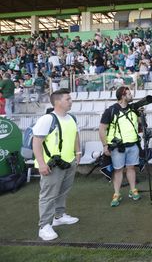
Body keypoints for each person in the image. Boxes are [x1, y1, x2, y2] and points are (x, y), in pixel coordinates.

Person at [32, 88, 81, 241]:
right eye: (68, 99)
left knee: (63, 191)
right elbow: (37, 142)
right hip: (51, 165)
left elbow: (75, 135)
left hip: (69, 162)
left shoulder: (71, 118)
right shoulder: (47, 119)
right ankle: (44, 226)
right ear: (58, 102)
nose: (71, 101)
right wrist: (41, 163)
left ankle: (59, 216)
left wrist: (77, 153)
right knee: (48, 195)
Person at [99, 87, 141, 207]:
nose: (131, 95)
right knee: (118, 170)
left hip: (133, 144)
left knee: (131, 168)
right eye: (129, 93)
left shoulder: (134, 109)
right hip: (117, 146)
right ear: (123, 96)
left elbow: (141, 124)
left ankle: (133, 190)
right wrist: (105, 145)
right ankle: (117, 194)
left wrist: (142, 114)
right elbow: (102, 129)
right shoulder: (110, 110)